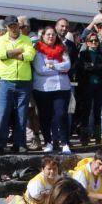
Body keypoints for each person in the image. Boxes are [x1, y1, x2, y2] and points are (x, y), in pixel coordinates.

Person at [0, 16, 35, 154]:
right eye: (10, 26)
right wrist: (19, 51)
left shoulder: (27, 39)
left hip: (24, 82)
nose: (14, 28)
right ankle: (1, 143)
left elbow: (30, 56)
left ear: (18, 25)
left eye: (15, 25)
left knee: (22, 115)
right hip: (6, 80)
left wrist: (10, 54)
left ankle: (19, 143)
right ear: (6, 27)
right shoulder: (0, 40)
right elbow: (0, 54)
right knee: (3, 113)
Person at [33, 26, 73, 154]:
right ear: (43, 36)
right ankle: (48, 142)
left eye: (53, 34)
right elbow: (41, 69)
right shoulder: (37, 50)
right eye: (48, 34)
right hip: (43, 88)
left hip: (62, 88)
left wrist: (52, 65)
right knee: (45, 116)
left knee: (61, 115)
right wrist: (59, 69)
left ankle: (65, 143)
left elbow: (67, 66)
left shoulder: (63, 49)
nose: (51, 37)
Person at [74, 30, 102, 145]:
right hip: (86, 86)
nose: (94, 42)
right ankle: (85, 137)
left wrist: (93, 67)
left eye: (96, 41)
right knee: (86, 110)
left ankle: (98, 137)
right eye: (92, 41)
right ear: (87, 42)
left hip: (99, 86)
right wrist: (99, 67)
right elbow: (84, 68)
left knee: (98, 110)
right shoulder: (83, 54)